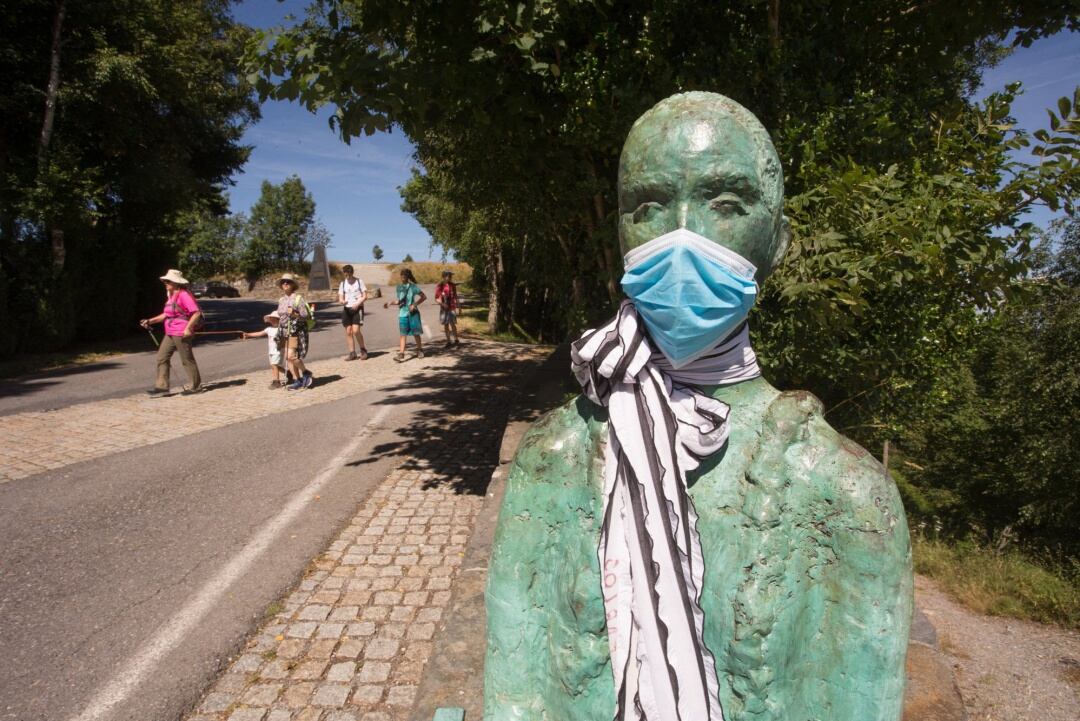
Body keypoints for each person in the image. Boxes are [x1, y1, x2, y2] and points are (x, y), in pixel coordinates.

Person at [484, 93, 912, 721]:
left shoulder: (846, 492)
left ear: (778, 240)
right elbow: (517, 696)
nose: (682, 236)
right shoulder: (553, 459)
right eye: (649, 206)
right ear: (621, 233)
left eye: (727, 204)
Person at [140, 269, 203, 396]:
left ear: (176, 282)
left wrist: (188, 328)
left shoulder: (183, 294)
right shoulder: (171, 296)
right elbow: (166, 314)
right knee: (162, 357)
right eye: (165, 281)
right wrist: (150, 321)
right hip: (170, 331)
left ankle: (195, 386)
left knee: (186, 359)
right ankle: (162, 386)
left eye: (168, 281)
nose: (165, 282)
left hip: (181, 332)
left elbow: (196, 313)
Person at [276, 273, 314, 390]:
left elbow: (305, 316)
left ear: (293, 284)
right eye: (283, 282)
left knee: (291, 356)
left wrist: (294, 314)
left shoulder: (298, 298)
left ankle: (306, 372)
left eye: (288, 282)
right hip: (283, 332)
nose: (285, 283)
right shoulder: (281, 300)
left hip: (294, 331)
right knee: (288, 358)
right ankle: (298, 379)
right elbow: (280, 317)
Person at [384, 268, 426, 362]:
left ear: (408, 276)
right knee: (403, 334)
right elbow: (401, 301)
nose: (403, 277)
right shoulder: (398, 287)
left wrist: (414, 305)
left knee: (416, 333)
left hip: (413, 314)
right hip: (402, 314)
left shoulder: (413, 287)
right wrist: (390, 303)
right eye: (401, 275)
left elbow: (424, 297)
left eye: (404, 276)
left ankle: (420, 350)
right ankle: (401, 353)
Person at [241, 314, 286, 389]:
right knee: (274, 366)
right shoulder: (268, 329)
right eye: (271, 319)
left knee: (274, 365)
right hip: (271, 350)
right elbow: (259, 333)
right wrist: (248, 334)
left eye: (274, 319)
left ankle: (276, 382)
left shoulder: (281, 329)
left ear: (279, 320)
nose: (272, 321)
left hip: (278, 350)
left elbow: (286, 339)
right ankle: (287, 373)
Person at [338, 264, 369, 360]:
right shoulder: (343, 283)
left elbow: (365, 296)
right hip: (347, 309)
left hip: (357, 308)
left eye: (349, 275)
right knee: (348, 331)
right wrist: (342, 301)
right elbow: (340, 298)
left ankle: (363, 350)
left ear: (352, 273)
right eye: (345, 275)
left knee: (356, 330)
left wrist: (357, 303)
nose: (347, 277)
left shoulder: (359, 282)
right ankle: (352, 353)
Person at [434, 269, 460, 347]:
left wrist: (459, 306)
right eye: (448, 276)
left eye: (450, 276)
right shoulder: (440, 286)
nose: (450, 277)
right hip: (444, 308)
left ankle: (456, 340)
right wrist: (442, 303)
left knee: (453, 324)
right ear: (444, 276)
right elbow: (436, 298)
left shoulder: (452, 285)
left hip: (452, 307)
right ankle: (448, 341)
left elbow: (455, 296)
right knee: (446, 324)